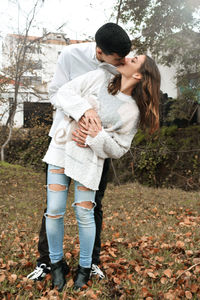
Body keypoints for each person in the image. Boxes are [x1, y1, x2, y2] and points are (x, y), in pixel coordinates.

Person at [41, 54, 161, 291]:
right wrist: (86, 110)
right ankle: (56, 265)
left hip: (89, 160)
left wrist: (96, 138)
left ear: (138, 75)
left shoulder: (132, 112)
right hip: (61, 148)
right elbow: (64, 93)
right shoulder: (98, 77)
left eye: (134, 59)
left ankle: (85, 268)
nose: (127, 57)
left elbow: (119, 148)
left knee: (84, 214)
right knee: (54, 210)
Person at [27, 22, 132, 282]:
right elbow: (55, 93)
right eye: (117, 59)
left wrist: (99, 134)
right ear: (100, 52)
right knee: (54, 207)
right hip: (64, 141)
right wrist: (84, 111)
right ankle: (48, 262)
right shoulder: (70, 56)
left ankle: (90, 263)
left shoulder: (121, 67)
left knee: (92, 207)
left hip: (96, 147)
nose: (122, 63)